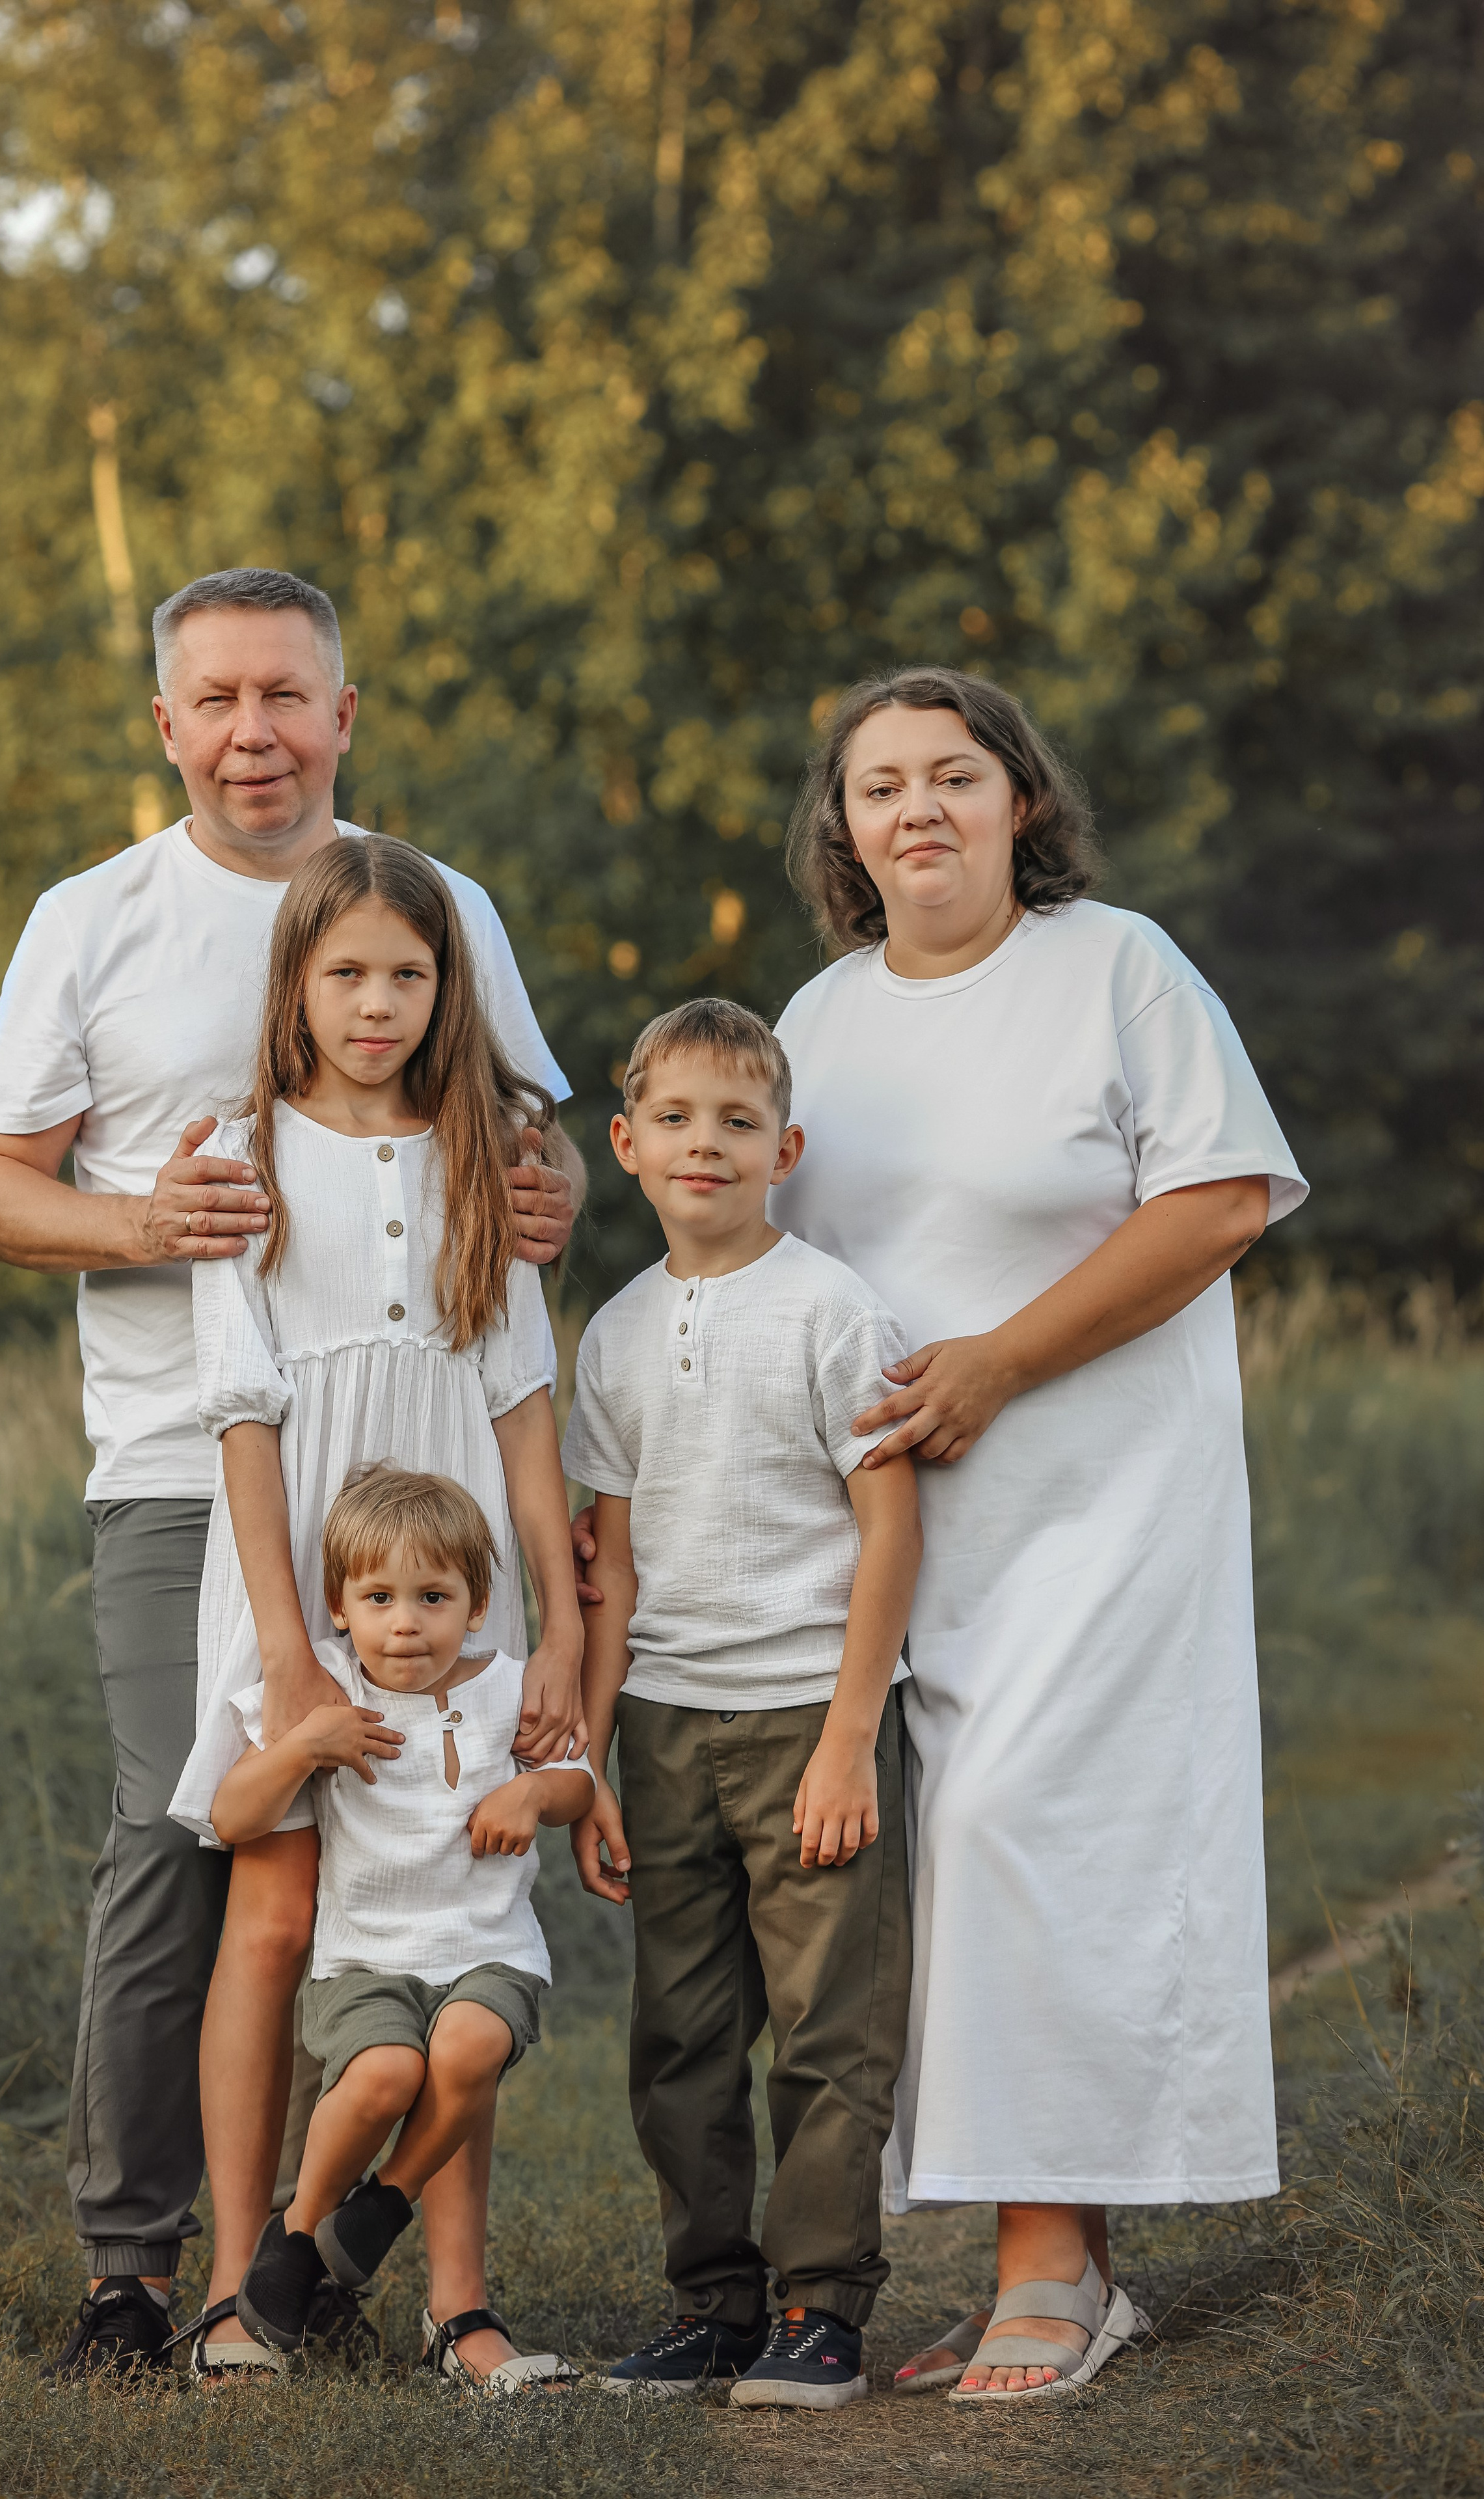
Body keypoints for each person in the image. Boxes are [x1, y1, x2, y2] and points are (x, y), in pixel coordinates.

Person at [0, 568, 581, 2379]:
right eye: (216, 699)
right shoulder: (93, 920)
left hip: (430, 1483)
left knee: (415, 1863)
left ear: (344, 713)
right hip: (191, 1466)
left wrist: (560, 1197)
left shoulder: (434, 903)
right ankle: (139, 2273)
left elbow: (520, 1156)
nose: (254, 732)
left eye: (287, 696)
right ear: (167, 723)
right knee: (190, 1850)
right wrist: (147, 1214)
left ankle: (357, 2261)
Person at [766, 664, 1306, 2402]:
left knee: (1026, 1830)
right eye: (878, 786)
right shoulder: (823, 1021)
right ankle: (1046, 2245)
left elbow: (1220, 1198)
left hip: (1105, 1489)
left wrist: (1000, 1362)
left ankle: (1052, 2268)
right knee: (948, 1869)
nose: (914, 808)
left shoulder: (1116, 969)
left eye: (952, 776)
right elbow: (745, 1228)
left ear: (1022, 803)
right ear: (843, 831)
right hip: (902, 1522)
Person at [165, 831, 584, 2377]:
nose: (376, 1001)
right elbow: (244, 1416)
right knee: (274, 1912)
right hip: (300, 1575)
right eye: (344, 971)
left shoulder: (483, 1148)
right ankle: (236, 2289)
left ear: (444, 988)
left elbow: (523, 1404)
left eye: (407, 974)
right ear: (295, 983)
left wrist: (563, 1628)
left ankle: (452, 2299)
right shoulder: (242, 1146)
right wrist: (287, 1653)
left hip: (453, 1565)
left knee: (449, 1906)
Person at [564, 999, 923, 2411]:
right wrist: (589, 1761)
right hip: (661, 1723)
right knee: (680, 2033)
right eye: (673, 1120)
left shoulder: (833, 1310)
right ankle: (712, 2304)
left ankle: (820, 2306)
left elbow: (887, 1532)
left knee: (825, 2027)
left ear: (784, 1145)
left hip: (803, 1717)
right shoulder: (613, 1334)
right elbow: (611, 1568)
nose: (701, 1145)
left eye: (733, 1123)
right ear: (627, 1144)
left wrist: (847, 1739)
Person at [200, 1465, 593, 2384]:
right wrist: (305, 1746)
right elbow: (232, 1816)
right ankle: (300, 2238)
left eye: (432, 1597)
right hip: (366, 1962)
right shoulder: (328, 1689)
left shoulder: (506, 1688)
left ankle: (381, 2203)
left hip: (487, 1951)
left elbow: (581, 1783)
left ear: (477, 1603)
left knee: (465, 2050)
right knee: (384, 2073)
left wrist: (535, 1792)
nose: (405, 1622)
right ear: (339, 1606)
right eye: (378, 1598)